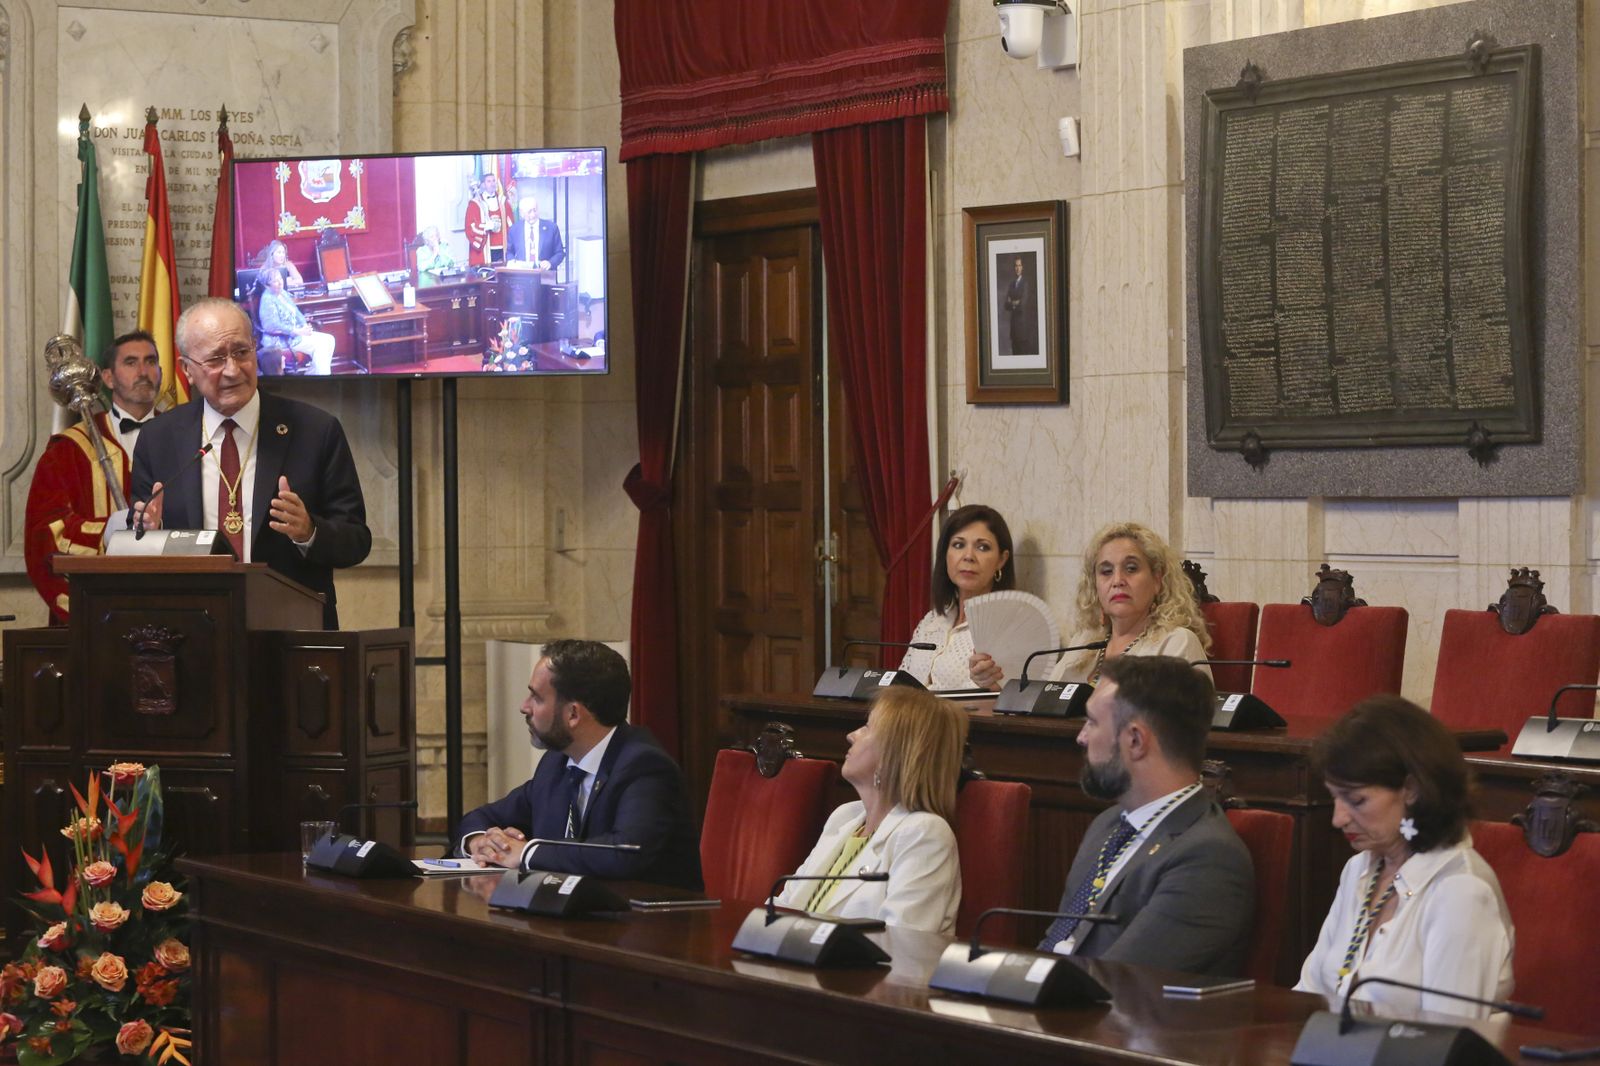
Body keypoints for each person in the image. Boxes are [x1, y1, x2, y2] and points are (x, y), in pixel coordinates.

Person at [130, 298, 370, 629]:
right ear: (187, 369)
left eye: (242, 352)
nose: (233, 370)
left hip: (292, 630)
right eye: (216, 359)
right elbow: (138, 538)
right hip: (192, 631)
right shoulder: (159, 439)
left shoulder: (316, 430)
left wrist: (309, 532)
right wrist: (149, 535)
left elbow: (356, 541)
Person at [1297, 696, 1515, 1018]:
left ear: (1412, 790)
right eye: (1334, 798)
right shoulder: (1359, 869)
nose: (1337, 819)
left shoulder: (1461, 892)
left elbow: (1445, 1035)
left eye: (1356, 800)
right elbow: (1308, 993)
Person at [1038, 655, 1254, 974]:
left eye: (1092, 722)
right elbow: (1058, 942)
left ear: (1136, 741)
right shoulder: (1108, 825)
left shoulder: (1207, 858)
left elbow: (1119, 980)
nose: (1081, 737)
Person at [456, 640, 702, 889]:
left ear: (573, 714)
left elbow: (626, 851)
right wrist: (480, 841)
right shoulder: (556, 763)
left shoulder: (644, 766)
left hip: (641, 910)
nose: (524, 707)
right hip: (572, 909)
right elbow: (482, 817)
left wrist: (527, 852)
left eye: (537, 698)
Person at [776, 687, 966, 934]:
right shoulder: (844, 818)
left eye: (867, 727)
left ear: (894, 752)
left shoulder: (925, 833)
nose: (851, 735)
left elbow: (900, 941)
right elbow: (785, 904)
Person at [24, 331, 162, 622]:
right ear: (108, 378)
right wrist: (108, 530)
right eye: (131, 362)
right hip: (98, 610)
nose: (143, 371)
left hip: (174, 602)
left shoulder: (188, 438)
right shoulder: (68, 449)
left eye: (151, 361)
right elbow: (43, 532)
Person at [1046, 521, 1212, 683]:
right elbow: (1046, 697)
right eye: (1106, 571)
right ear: (1095, 585)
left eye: (1131, 568)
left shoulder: (1177, 642)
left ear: (1157, 580)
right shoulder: (1084, 642)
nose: (1117, 580)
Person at [901, 504, 1019, 690]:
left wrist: (990, 686)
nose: (968, 556)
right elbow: (900, 685)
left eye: (982, 547)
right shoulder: (932, 621)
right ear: (945, 554)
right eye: (958, 545)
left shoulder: (1009, 628)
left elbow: (1006, 697)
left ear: (1001, 560)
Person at [256, 267, 335, 375]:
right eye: (275, 281)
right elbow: (270, 326)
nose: (280, 282)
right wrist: (296, 331)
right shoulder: (267, 300)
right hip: (282, 340)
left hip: (296, 334)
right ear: (267, 285)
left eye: (280, 278)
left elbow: (296, 312)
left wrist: (304, 325)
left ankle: (314, 375)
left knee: (329, 339)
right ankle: (320, 378)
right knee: (322, 344)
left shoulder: (282, 293)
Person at [509, 194, 566, 272]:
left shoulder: (552, 228)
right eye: (529, 212)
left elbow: (560, 253)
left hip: (545, 274)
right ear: (522, 214)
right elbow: (509, 252)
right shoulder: (514, 229)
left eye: (535, 210)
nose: (533, 214)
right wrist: (513, 263)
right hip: (522, 274)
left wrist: (550, 263)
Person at [464, 174, 511, 266]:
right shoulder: (475, 203)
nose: (492, 184)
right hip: (485, 249)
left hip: (502, 247)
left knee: (501, 272)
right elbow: (470, 226)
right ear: (483, 185)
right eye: (489, 181)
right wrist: (485, 226)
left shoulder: (503, 201)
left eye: (493, 181)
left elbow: (510, 223)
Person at [1004, 255, 1037, 354]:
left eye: (1019, 266)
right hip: (1013, 328)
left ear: (1022, 267)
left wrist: (1012, 302)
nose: (1017, 268)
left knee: (1022, 354)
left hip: (1022, 329)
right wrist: (1015, 302)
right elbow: (1006, 305)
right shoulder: (1011, 284)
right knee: (1014, 354)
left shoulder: (1025, 284)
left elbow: (1022, 305)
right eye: (1016, 266)